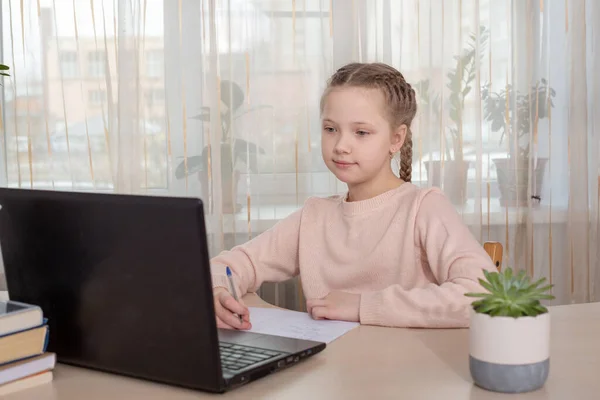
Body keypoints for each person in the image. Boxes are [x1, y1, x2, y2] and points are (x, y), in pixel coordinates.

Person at [209, 62, 497, 330]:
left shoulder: (424, 208)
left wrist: (364, 305)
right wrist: (218, 289)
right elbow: (231, 264)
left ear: (396, 139)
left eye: (361, 132)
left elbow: (484, 295)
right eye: (331, 129)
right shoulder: (314, 217)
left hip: (408, 373)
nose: (341, 146)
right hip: (331, 374)